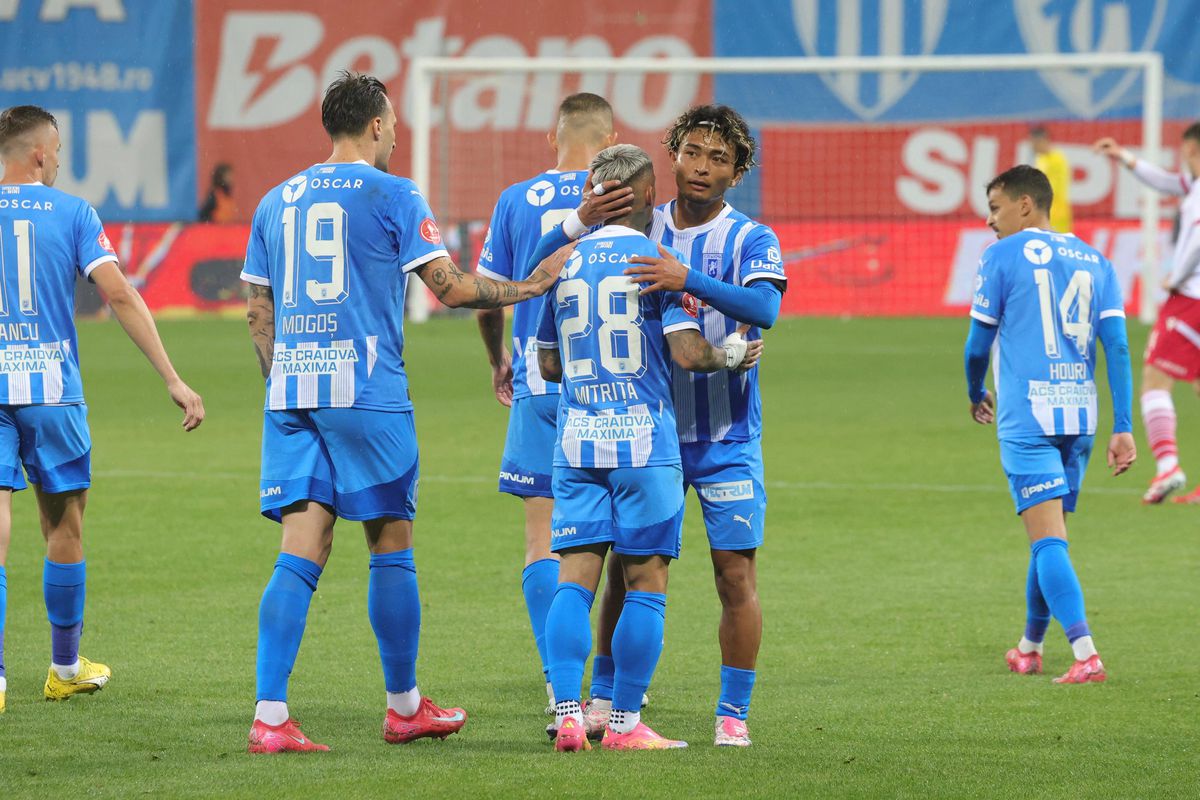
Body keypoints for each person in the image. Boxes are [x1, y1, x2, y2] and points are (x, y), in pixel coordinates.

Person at [240, 72, 563, 754]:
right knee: (390, 542)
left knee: (300, 548)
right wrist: (532, 284)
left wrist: (287, 383)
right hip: (366, 390)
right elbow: (449, 288)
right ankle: (404, 706)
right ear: (378, 126)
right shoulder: (392, 192)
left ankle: (269, 716)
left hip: (291, 391)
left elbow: (257, 311)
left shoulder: (275, 200)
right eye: (394, 124)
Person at [527, 105, 786, 747]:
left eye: (718, 158)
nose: (702, 166)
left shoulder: (751, 238)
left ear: (738, 171)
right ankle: (608, 705)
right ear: (669, 158)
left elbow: (765, 307)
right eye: (692, 152)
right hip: (653, 436)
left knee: (734, 574)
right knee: (624, 573)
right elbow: (544, 261)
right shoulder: (642, 223)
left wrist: (685, 277)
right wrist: (581, 218)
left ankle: (732, 713)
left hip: (724, 437)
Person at [0, 105, 205, 715]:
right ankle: (64, 668)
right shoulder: (72, 212)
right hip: (52, 389)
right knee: (63, 526)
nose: (60, 160)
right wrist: (171, 377)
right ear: (39, 153)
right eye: (58, 150)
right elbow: (117, 292)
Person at [474, 93, 631, 716]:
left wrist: (497, 359)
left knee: (543, 542)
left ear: (552, 137)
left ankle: (556, 683)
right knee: (618, 546)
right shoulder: (627, 198)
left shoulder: (515, 200)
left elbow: (488, 297)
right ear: (612, 138)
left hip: (538, 388)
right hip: (612, 389)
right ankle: (610, 692)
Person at [964, 164, 1135, 684]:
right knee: (1050, 536)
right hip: (1080, 417)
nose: (990, 220)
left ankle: (1086, 654)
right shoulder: (1097, 258)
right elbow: (1119, 348)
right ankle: (1029, 646)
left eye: (995, 208)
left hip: (1028, 418)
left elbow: (977, 346)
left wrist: (975, 391)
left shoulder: (999, 255)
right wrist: (1123, 425)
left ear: (1024, 205)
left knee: (1047, 543)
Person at [1094, 124, 1200, 503]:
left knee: (1155, 380)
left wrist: (1178, 276)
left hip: (1190, 299)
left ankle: (1167, 465)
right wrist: (1124, 157)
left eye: (1187, 153)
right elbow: (1167, 182)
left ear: (1192, 150)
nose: (1184, 162)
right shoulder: (1192, 186)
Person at [1031, 126, 1073, 233]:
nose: (1032, 147)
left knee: (1059, 244)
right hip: (1043, 211)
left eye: (1034, 143)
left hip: (1057, 211)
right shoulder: (1041, 159)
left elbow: (1054, 187)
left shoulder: (1057, 159)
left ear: (1042, 141)